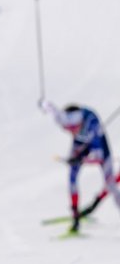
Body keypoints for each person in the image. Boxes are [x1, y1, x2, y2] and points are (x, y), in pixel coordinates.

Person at [40, 99, 120, 232]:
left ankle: (96, 203)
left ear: (81, 122)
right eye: (68, 128)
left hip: (98, 147)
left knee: (110, 183)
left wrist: (81, 160)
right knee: (72, 177)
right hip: (80, 145)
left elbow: (98, 156)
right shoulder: (64, 119)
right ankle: (75, 216)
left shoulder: (93, 125)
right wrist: (43, 104)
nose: (71, 131)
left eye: (74, 128)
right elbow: (51, 108)